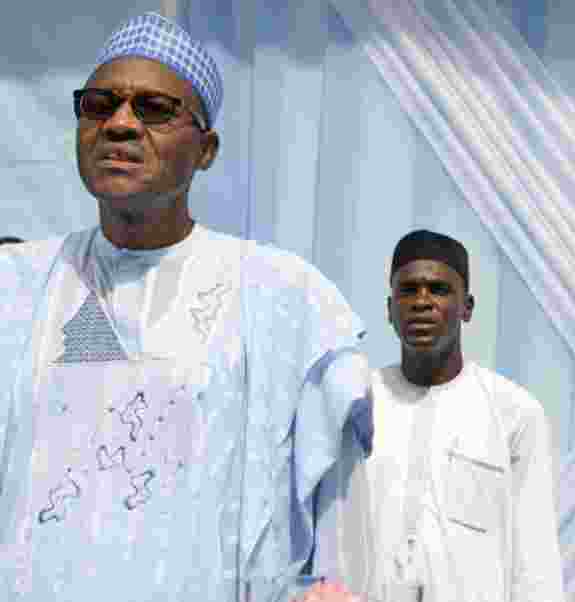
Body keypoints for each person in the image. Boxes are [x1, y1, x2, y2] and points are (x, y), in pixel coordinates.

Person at [0, 13, 370, 601]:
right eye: (100, 104)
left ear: (207, 149)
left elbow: (341, 527)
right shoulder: (16, 288)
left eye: (153, 108)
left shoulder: (282, 298)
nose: (120, 124)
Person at [310, 229, 566, 602]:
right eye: (408, 290)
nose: (422, 301)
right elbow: (332, 545)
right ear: (389, 309)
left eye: (439, 290)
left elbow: (536, 565)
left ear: (467, 307)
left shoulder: (514, 414)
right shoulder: (358, 405)